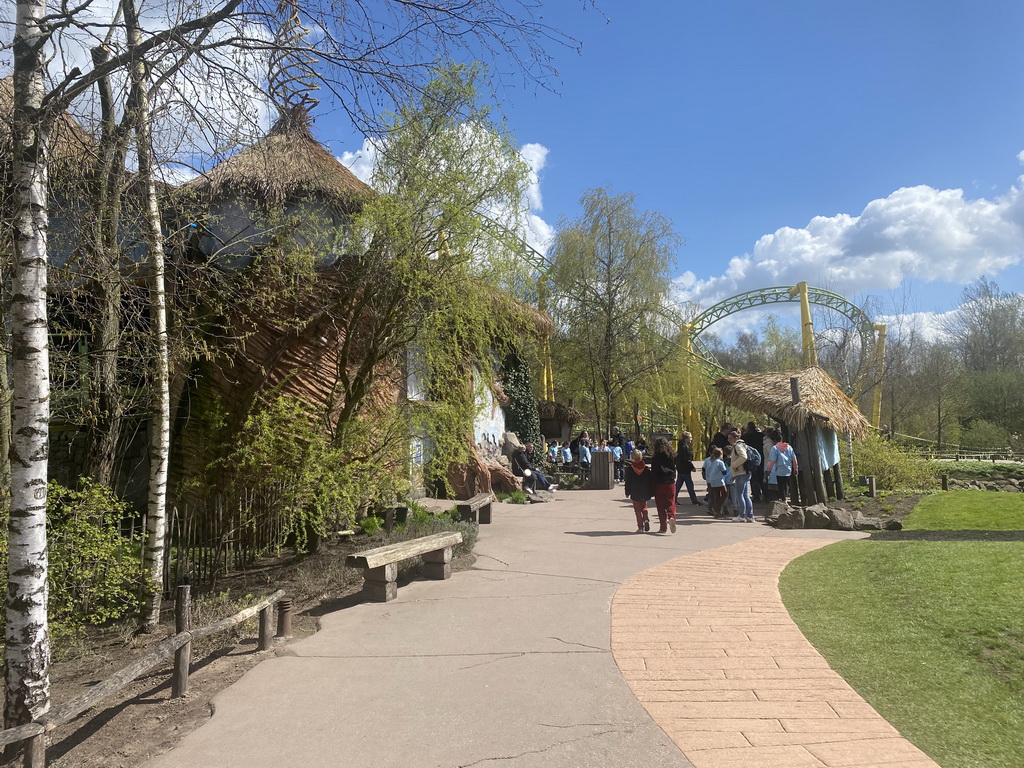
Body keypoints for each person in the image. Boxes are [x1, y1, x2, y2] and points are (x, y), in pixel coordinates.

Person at [650, 437, 677, 533]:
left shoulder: (655, 457)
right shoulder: (671, 455)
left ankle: (663, 527)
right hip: (670, 482)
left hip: (659, 483)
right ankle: (671, 516)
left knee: (660, 506)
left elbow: (653, 473)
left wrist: (652, 486)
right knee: (671, 503)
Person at [727, 430, 754, 522]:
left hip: (741, 473)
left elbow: (743, 457)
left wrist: (734, 465)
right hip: (745, 473)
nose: (729, 440)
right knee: (746, 495)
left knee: (740, 495)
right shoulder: (743, 445)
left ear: (736, 438)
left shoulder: (738, 446)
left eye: (731, 438)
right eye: (728, 438)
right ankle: (749, 515)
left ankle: (742, 515)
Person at [765, 428, 798, 503]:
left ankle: (784, 500)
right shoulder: (789, 447)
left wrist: (768, 470)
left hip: (779, 470)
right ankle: (787, 498)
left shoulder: (775, 448)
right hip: (788, 469)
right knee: (786, 485)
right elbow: (794, 458)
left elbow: (772, 461)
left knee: (781, 486)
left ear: (774, 440)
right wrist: (795, 468)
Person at [624, 450, 653, 532]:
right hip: (644, 491)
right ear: (641, 457)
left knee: (637, 510)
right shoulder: (646, 469)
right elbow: (650, 481)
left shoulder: (630, 469)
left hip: (635, 491)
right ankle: (646, 519)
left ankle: (640, 527)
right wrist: (651, 491)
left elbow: (628, 481)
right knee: (644, 506)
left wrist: (627, 492)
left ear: (633, 458)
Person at [674, 431, 700, 506]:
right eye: (690, 437)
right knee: (689, 485)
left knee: (678, 485)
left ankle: (674, 499)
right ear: (686, 438)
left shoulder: (681, 446)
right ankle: (694, 500)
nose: (691, 439)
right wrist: (692, 467)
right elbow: (686, 459)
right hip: (685, 469)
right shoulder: (685, 447)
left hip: (680, 468)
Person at [742, 421, 765, 502]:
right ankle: (765, 493)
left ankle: (756, 495)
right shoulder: (761, 435)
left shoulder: (746, 436)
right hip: (761, 457)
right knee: (762, 476)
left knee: (753, 477)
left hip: (750, 459)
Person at [702, 447, 729, 517]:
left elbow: (704, 468)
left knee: (716, 495)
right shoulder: (720, 462)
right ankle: (717, 509)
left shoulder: (709, 460)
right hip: (719, 480)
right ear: (721, 454)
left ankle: (716, 510)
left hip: (711, 480)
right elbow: (724, 472)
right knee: (724, 494)